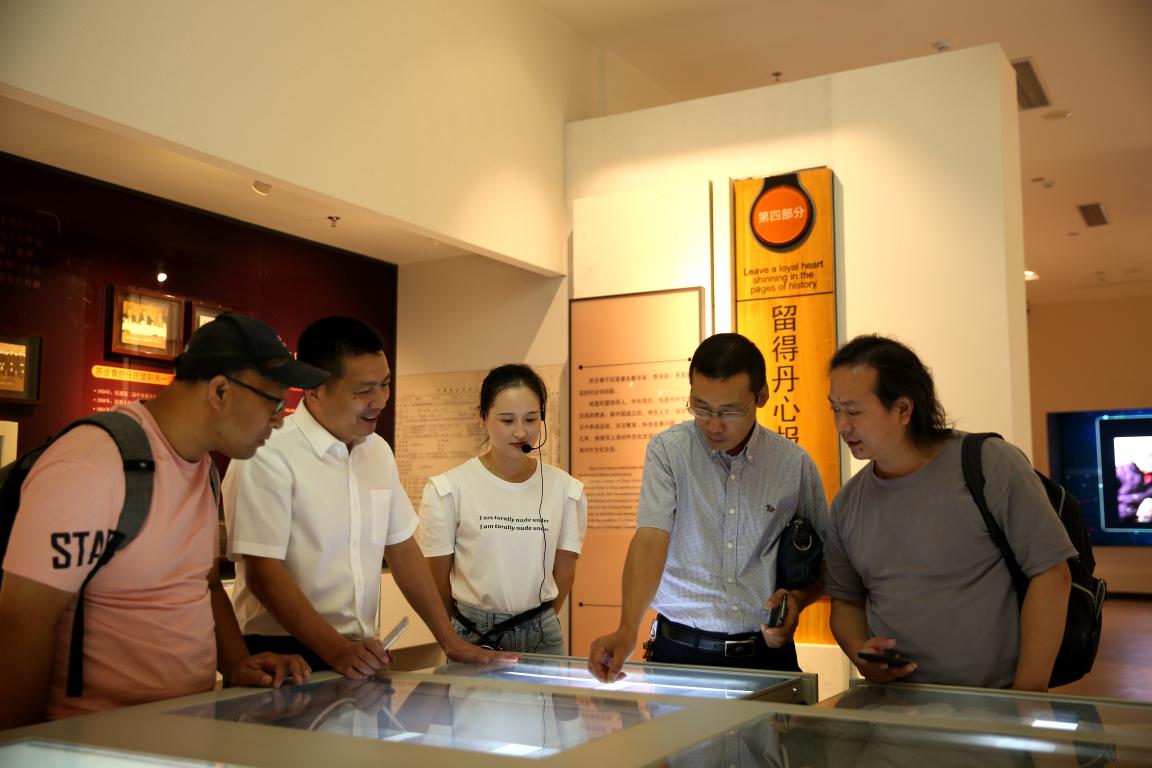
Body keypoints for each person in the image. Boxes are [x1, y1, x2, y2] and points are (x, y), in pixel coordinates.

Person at [0, 313, 321, 728]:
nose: (280, 420)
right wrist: (20, 747)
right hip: (96, 739)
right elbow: (22, 622)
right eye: (275, 403)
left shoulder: (204, 468)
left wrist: (237, 662)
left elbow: (204, 584)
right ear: (220, 391)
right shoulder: (93, 462)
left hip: (183, 730)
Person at [223, 316, 509, 679]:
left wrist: (449, 640)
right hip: (282, 654)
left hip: (358, 650)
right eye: (363, 391)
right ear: (314, 389)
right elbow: (264, 574)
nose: (379, 401)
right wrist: (336, 650)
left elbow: (402, 550)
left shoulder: (377, 452)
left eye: (385, 385)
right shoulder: (268, 453)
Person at [824, 334, 1075, 690]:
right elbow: (846, 601)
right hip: (896, 708)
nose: (841, 425)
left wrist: (1026, 696)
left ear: (903, 409)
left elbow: (1051, 574)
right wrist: (859, 651)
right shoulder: (848, 502)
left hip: (994, 703)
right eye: (835, 409)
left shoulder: (988, 463)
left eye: (853, 411)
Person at [589, 333, 829, 682]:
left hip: (766, 654)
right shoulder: (669, 452)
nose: (714, 425)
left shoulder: (793, 464)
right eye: (701, 408)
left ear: (761, 396)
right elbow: (651, 539)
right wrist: (627, 629)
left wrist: (797, 601)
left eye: (730, 411)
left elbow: (824, 563)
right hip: (680, 652)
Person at [419, 364, 588, 654]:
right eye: (507, 420)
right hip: (473, 631)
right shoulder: (448, 488)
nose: (521, 432)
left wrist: (536, 622)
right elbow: (436, 579)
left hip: (542, 632)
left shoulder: (566, 489)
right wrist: (459, 629)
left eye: (531, 419)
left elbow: (565, 573)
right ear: (482, 417)